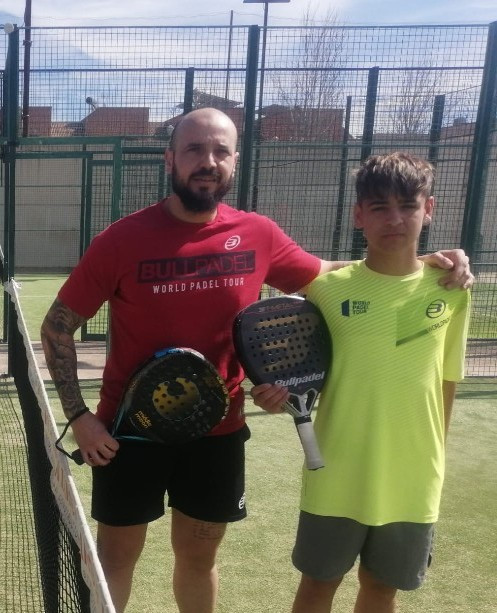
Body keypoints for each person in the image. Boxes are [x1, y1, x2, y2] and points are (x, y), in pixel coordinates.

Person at [40, 110, 472, 613]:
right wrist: (80, 417)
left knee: (198, 558)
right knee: (115, 559)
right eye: (194, 149)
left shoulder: (257, 234)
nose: (208, 161)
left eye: (220, 151)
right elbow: (56, 326)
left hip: (218, 434)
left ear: (235, 161)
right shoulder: (121, 239)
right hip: (129, 431)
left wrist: (424, 262)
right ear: (169, 159)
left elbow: (335, 273)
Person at [252, 152, 471, 613]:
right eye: (379, 207)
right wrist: (274, 396)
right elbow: (292, 368)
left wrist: (432, 461)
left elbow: (447, 383)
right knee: (318, 584)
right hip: (336, 471)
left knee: (381, 588)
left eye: (408, 206)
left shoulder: (452, 290)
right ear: (359, 215)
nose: (395, 219)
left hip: (412, 478)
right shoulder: (325, 289)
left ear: (429, 209)